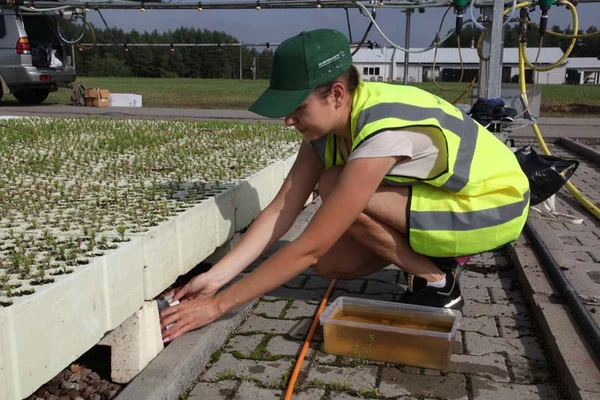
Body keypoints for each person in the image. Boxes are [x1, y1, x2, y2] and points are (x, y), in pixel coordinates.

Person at [160, 28, 529, 342]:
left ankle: (436, 281)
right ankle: (434, 257)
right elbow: (282, 210)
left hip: (493, 205)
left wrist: (219, 306)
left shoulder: (384, 129)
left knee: (333, 185)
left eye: (297, 107)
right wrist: (217, 277)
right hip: (446, 199)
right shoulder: (328, 129)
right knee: (333, 265)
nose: (288, 120)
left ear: (336, 94)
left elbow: (310, 246)